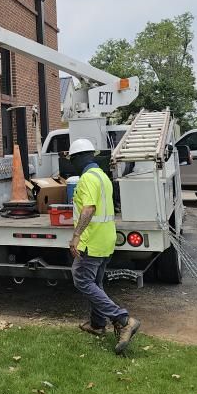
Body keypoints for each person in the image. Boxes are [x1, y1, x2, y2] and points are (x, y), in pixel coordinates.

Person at [68, 138, 140, 355]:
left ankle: (122, 319)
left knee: (81, 280)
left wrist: (76, 236)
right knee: (96, 283)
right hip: (106, 238)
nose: (72, 164)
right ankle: (97, 324)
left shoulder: (88, 178)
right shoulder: (103, 177)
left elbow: (88, 209)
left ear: (80, 158)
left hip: (92, 240)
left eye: (73, 159)